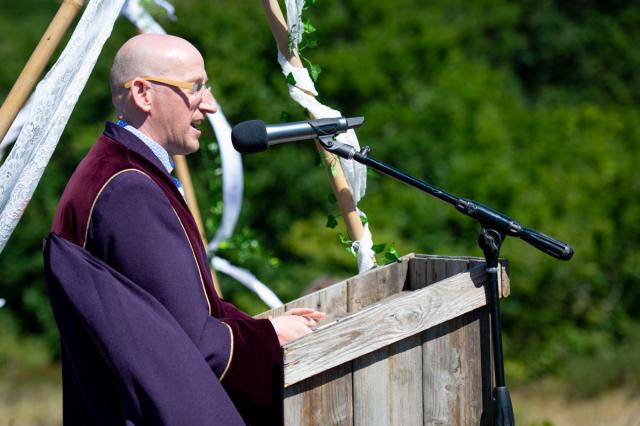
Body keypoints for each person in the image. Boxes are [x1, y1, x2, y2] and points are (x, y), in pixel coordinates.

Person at [43, 33, 324, 425]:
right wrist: (270, 338)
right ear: (143, 93)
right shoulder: (127, 189)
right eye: (195, 88)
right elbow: (192, 342)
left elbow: (179, 313)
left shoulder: (120, 172)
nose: (209, 104)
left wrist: (261, 327)